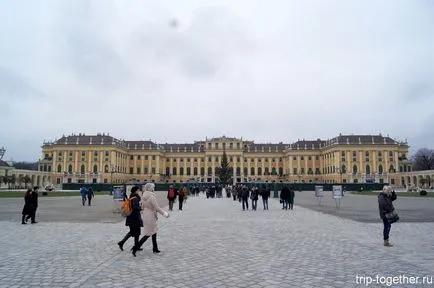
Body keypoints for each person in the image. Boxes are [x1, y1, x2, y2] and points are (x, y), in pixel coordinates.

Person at [132, 183, 169, 256]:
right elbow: (157, 208)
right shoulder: (152, 197)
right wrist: (165, 214)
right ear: (150, 188)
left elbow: (141, 207)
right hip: (151, 216)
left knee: (154, 232)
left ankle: (155, 248)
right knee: (148, 233)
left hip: (146, 215)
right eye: (153, 188)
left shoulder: (143, 196)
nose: (154, 189)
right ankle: (135, 247)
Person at [118, 186, 142, 252]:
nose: (139, 191)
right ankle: (122, 243)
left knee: (134, 232)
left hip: (131, 217)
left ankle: (135, 245)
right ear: (136, 191)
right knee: (135, 232)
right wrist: (141, 208)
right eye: (138, 190)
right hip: (134, 218)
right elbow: (135, 207)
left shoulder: (131, 197)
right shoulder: (135, 198)